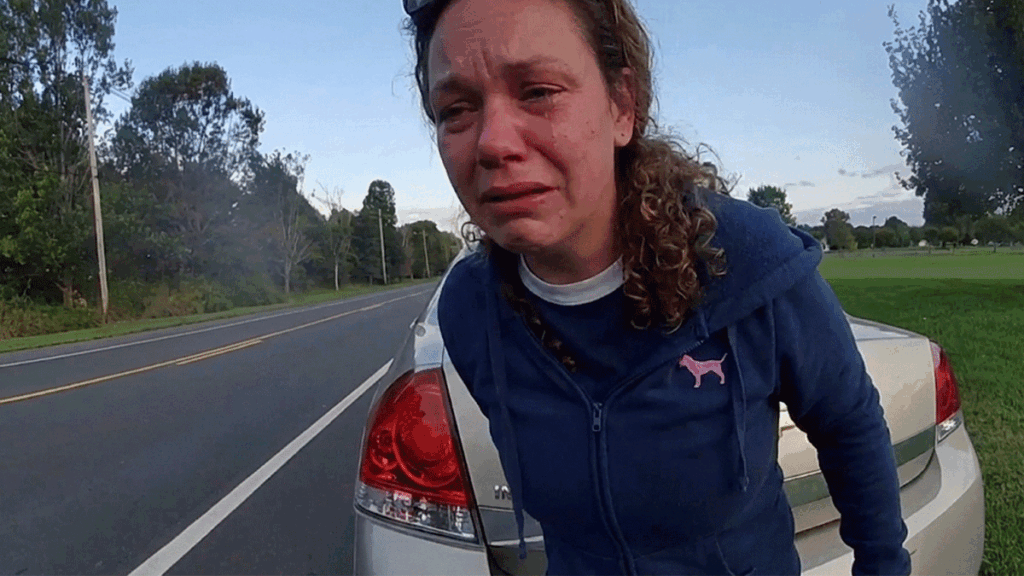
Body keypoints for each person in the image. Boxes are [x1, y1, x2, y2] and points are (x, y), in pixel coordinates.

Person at [403, 0, 912, 574]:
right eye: (456, 110)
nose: (493, 143)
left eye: (538, 91)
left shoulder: (746, 262)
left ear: (623, 105)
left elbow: (850, 427)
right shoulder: (473, 311)